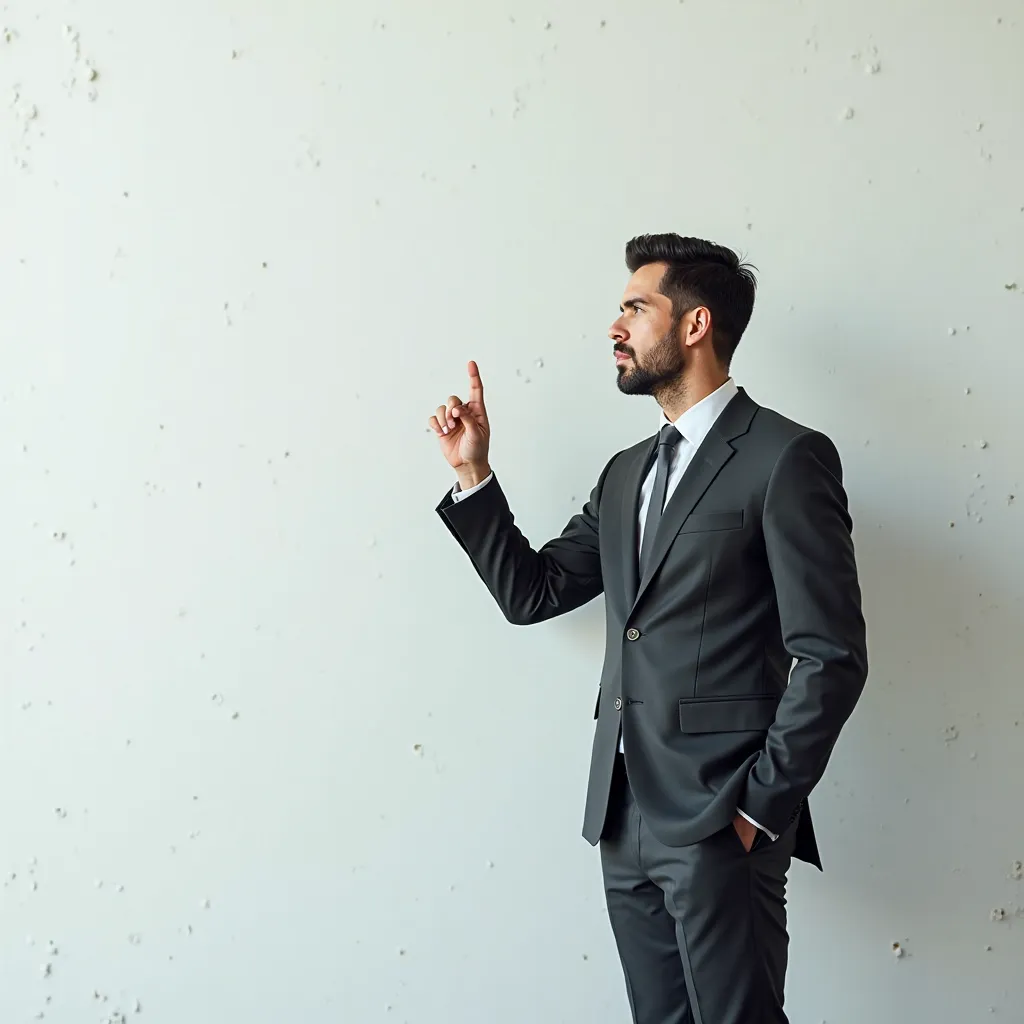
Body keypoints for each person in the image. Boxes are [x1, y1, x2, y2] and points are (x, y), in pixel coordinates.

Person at [429, 233, 868, 1024]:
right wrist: (473, 475)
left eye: (635, 307)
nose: (615, 327)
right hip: (622, 813)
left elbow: (831, 656)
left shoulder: (785, 458)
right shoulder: (625, 471)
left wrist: (759, 807)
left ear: (695, 325)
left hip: (723, 813)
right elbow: (534, 592)